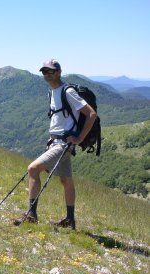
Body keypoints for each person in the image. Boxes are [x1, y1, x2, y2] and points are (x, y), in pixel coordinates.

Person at [13, 59, 97, 230]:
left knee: (33, 169)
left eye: (51, 71)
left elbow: (91, 114)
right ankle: (70, 220)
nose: (47, 74)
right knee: (66, 180)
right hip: (56, 142)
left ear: (59, 72)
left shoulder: (68, 91)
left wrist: (80, 138)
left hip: (64, 143)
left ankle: (31, 214)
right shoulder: (52, 92)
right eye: (44, 71)